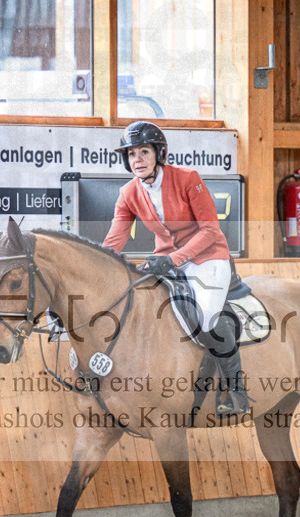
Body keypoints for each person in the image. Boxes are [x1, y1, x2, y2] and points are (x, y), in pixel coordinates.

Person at [102, 121, 250, 416]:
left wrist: (174, 259)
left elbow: (210, 230)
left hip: (208, 258)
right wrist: (98, 266)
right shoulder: (128, 193)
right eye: (131, 154)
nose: (138, 160)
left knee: (207, 318)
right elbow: (114, 241)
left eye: (144, 152)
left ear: (159, 153)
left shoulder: (187, 178)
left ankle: (236, 393)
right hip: (167, 260)